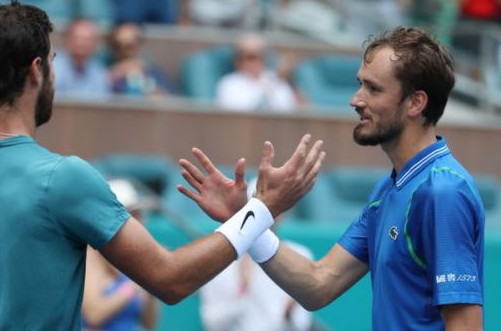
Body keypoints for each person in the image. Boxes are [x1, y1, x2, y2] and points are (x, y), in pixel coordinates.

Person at [0, 0, 325, 331]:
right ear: (36, 71)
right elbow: (169, 280)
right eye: (52, 62)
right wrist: (260, 209)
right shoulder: (64, 178)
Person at [177, 27, 484, 330]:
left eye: (373, 89)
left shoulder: (443, 192)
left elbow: (466, 326)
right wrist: (247, 218)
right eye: (360, 85)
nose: (355, 99)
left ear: (416, 103)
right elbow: (319, 282)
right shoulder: (389, 188)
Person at [200, 178, 313, 331]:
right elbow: (211, 323)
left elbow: (301, 325)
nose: (267, 216)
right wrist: (242, 292)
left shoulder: (301, 255)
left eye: (273, 208)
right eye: (261, 209)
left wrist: (289, 313)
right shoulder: (217, 259)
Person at [82, 179, 158, 331]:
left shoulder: (133, 262)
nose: (138, 221)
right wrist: (134, 285)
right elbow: (93, 315)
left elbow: (149, 323)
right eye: (131, 214)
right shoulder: (91, 256)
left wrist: (152, 284)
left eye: (138, 214)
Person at [216, 34, 299, 112]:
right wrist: (267, 89)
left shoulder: (277, 79)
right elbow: (238, 115)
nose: (256, 62)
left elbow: (289, 110)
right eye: (251, 57)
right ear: (238, 60)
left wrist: (289, 79)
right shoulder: (229, 83)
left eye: (260, 56)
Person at [107, 23, 173, 97]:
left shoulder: (152, 71)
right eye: (118, 45)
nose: (124, 50)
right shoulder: (106, 71)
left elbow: (169, 100)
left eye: (130, 46)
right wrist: (116, 72)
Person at [54, 18, 110, 99]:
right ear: (67, 39)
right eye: (78, 38)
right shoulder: (52, 67)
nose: (83, 43)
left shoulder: (100, 71)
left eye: (88, 39)